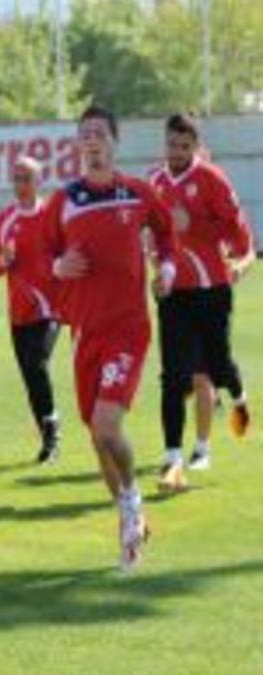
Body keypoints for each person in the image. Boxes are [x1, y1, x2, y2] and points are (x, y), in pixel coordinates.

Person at [42, 105, 178, 569]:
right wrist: (58, 266)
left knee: (106, 426)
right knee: (97, 438)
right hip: (85, 333)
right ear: (78, 145)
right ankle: (128, 516)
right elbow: (41, 256)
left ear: (114, 141)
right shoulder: (64, 201)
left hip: (128, 329)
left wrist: (167, 269)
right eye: (85, 134)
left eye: (100, 133)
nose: (92, 140)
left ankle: (132, 505)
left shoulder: (137, 193)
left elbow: (166, 234)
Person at [147, 112, 254, 482]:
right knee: (174, 376)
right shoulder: (155, 181)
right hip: (174, 293)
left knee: (217, 367)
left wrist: (195, 226)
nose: (176, 152)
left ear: (195, 146)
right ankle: (177, 455)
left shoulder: (211, 179)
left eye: (184, 146)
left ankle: (239, 397)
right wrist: (158, 269)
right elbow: (152, 237)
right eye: (171, 144)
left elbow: (238, 236)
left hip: (212, 289)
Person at [0, 156, 63, 465]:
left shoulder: (53, 216)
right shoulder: (3, 220)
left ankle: (52, 433)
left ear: (40, 181)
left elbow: (69, 251)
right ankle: (47, 436)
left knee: (36, 363)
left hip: (52, 308)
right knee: (30, 375)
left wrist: (59, 266)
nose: (21, 184)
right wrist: (3, 260)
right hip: (19, 312)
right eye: (16, 178)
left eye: (27, 178)